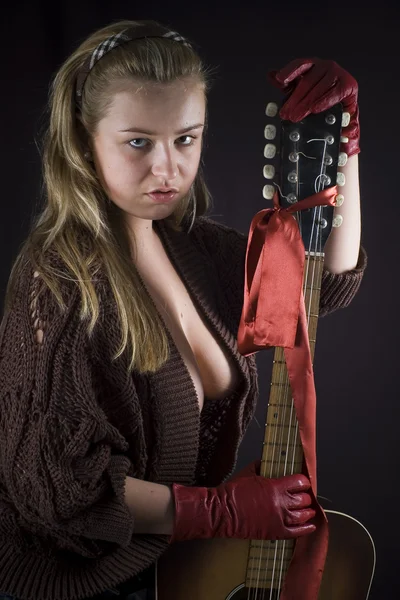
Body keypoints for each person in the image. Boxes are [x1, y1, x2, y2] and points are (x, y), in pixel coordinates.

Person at [0, 18, 366, 600]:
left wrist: (342, 146)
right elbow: (60, 491)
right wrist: (220, 511)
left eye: (186, 138)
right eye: (138, 141)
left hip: (177, 572)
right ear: (84, 139)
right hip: (82, 583)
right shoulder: (60, 280)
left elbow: (323, 285)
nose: (167, 169)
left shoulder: (197, 247)